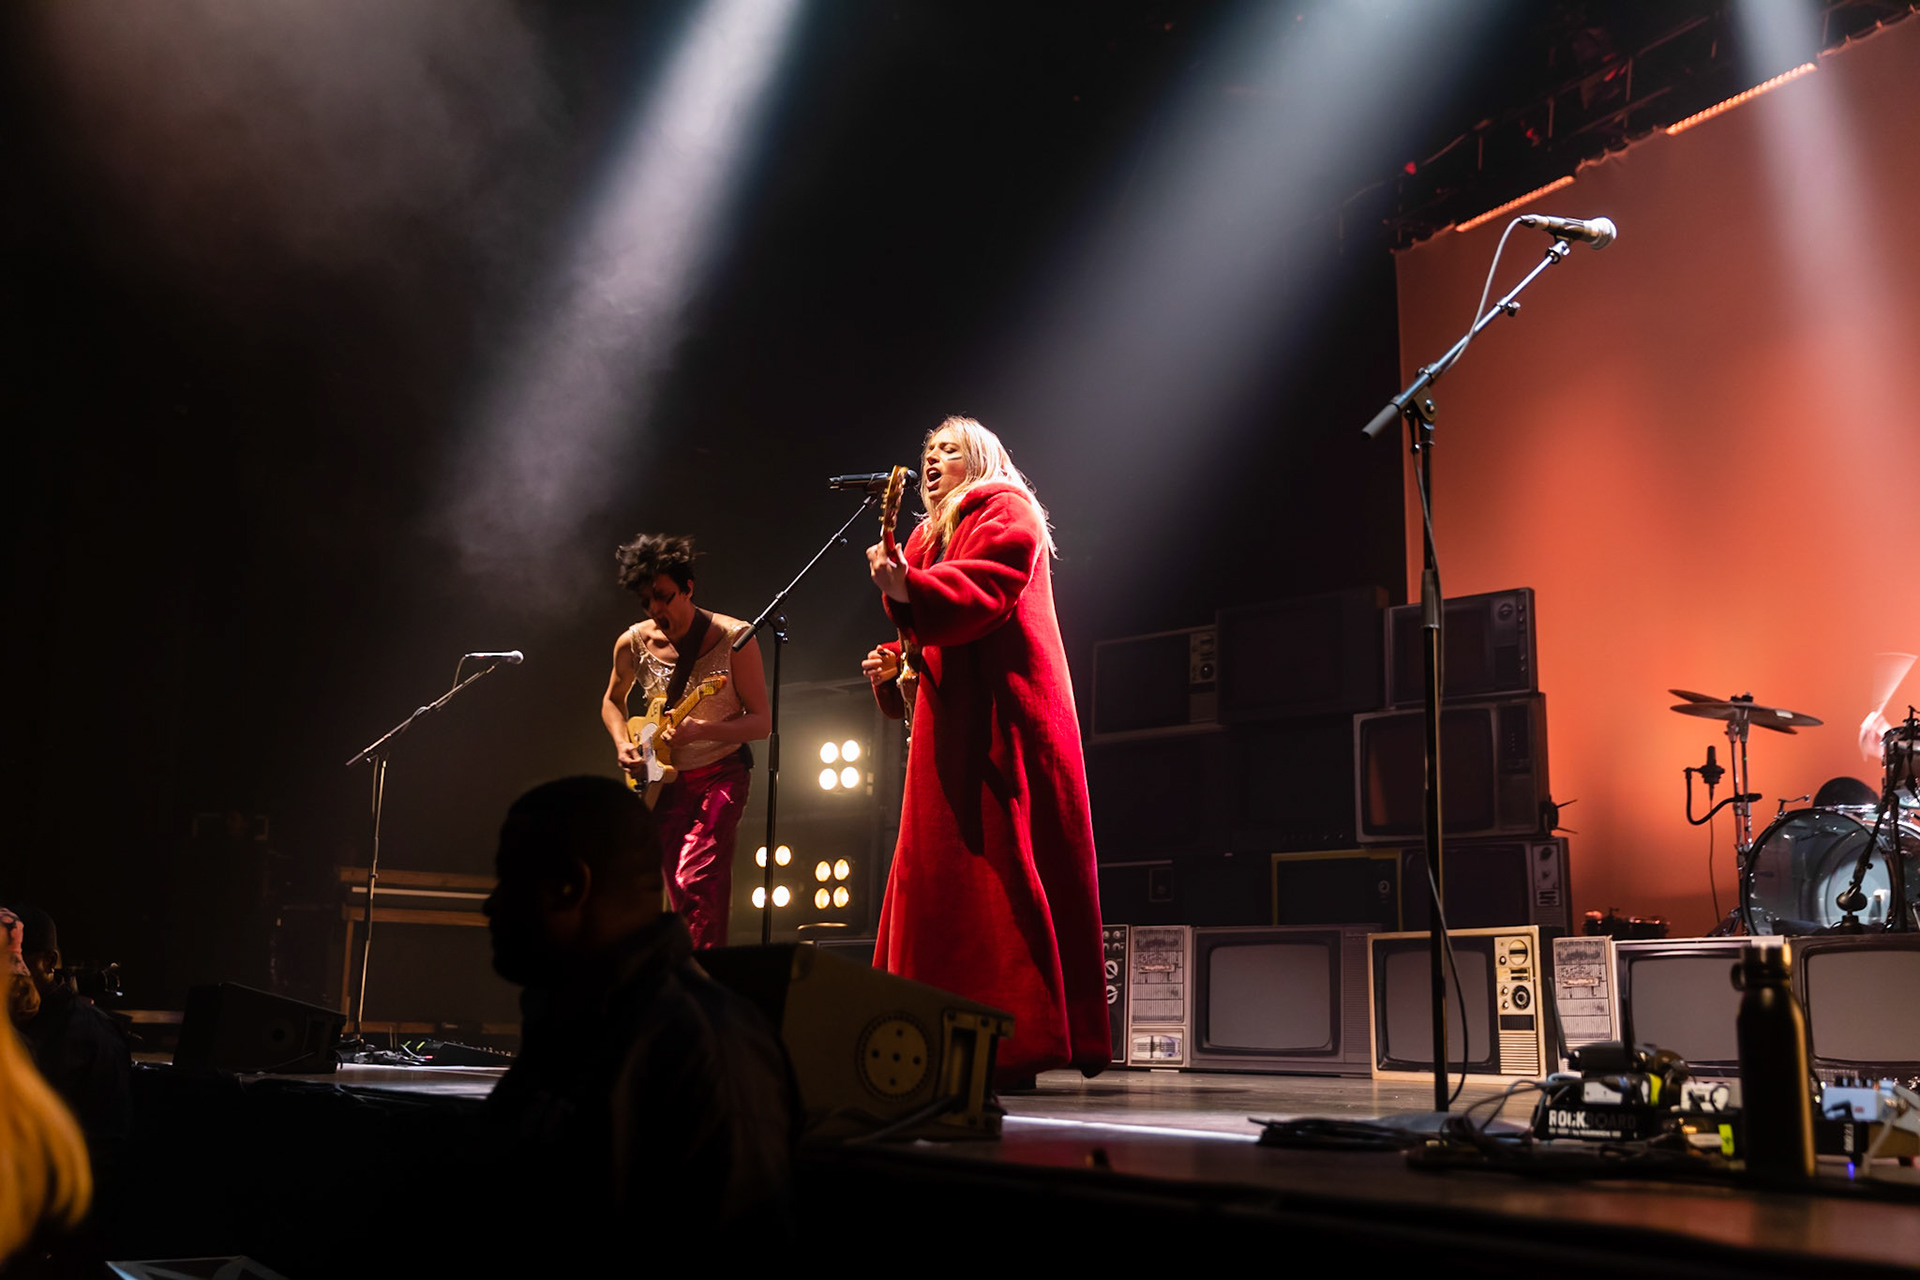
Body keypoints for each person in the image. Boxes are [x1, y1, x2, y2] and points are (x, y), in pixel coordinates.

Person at [861, 416, 1109, 1087]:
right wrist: (895, 660)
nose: (932, 460)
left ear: (978, 459)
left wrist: (908, 590)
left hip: (1006, 717)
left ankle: (1013, 1039)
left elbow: (985, 593)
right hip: (952, 720)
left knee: (998, 868)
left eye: (948, 450)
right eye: (928, 451)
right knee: (941, 871)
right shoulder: (924, 536)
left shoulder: (1008, 509)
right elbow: (931, 630)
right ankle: (932, 1034)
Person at [482, 777, 796, 1246]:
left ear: (570, 887)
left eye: (511, 881)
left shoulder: (706, 1048)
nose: (490, 905)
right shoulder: (579, 1020)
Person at [601, 533, 769, 949]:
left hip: (721, 774)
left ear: (688, 588)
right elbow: (612, 701)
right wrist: (622, 743)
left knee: (697, 877)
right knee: (675, 891)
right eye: (647, 602)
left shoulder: (735, 638)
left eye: (664, 596)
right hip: (662, 782)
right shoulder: (633, 642)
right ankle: (684, 971)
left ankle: (700, 978)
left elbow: (761, 723)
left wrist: (702, 730)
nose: (656, 609)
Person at [7, 905, 132, 1203]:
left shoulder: (93, 1033)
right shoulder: (10, 1024)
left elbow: (107, 1150)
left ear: (49, 961)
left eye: (13, 959)